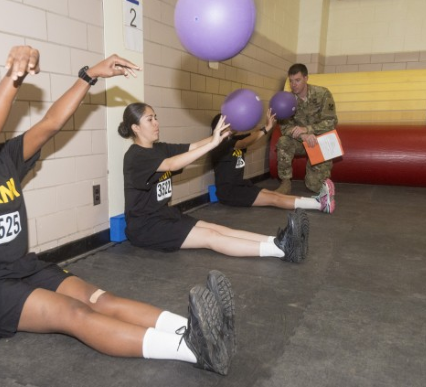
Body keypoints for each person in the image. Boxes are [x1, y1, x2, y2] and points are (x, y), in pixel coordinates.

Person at [0, 45, 235, 375]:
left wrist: (90, 75)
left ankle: (198, 327)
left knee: (101, 300)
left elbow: (52, 122)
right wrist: (14, 76)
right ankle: (192, 349)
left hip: (24, 268)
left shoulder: (4, 158)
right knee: (75, 314)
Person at [118, 102, 309, 263]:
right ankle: (282, 251)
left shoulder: (159, 148)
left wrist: (219, 136)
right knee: (211, 237)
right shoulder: (135, 156)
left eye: (156, 117)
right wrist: (213, 144)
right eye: (150, 119)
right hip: (145, 227)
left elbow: (192, 147)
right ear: (135, 127)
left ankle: (278, 241)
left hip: (164, 215)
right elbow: (172, 163)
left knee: (217, 228)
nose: (156, 123)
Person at [210, 110, 335, 213]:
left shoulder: (233, 140)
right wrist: (266, 129)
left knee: (275, 195)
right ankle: (319, 205)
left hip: (241, 185)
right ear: (220, 128)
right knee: (274, 199)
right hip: (230, 193)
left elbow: (251, 135)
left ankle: (318, 201)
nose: (232, 125)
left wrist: (264, 126)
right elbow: (244, 142)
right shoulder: (218, 144)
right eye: (228, 123)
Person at [275, 63, 338, 200]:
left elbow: (332, 122)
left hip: (320, 141)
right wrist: (304, 135)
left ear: (306, 78)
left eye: (297, 80)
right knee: (283, 141)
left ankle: (319, 180)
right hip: (301, 141)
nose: (294, 85)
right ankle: (285, 182)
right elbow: (285, 127)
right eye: (291, 81)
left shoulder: (322, 94)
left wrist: (308, 130)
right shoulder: (288, 101)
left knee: (313, 186)